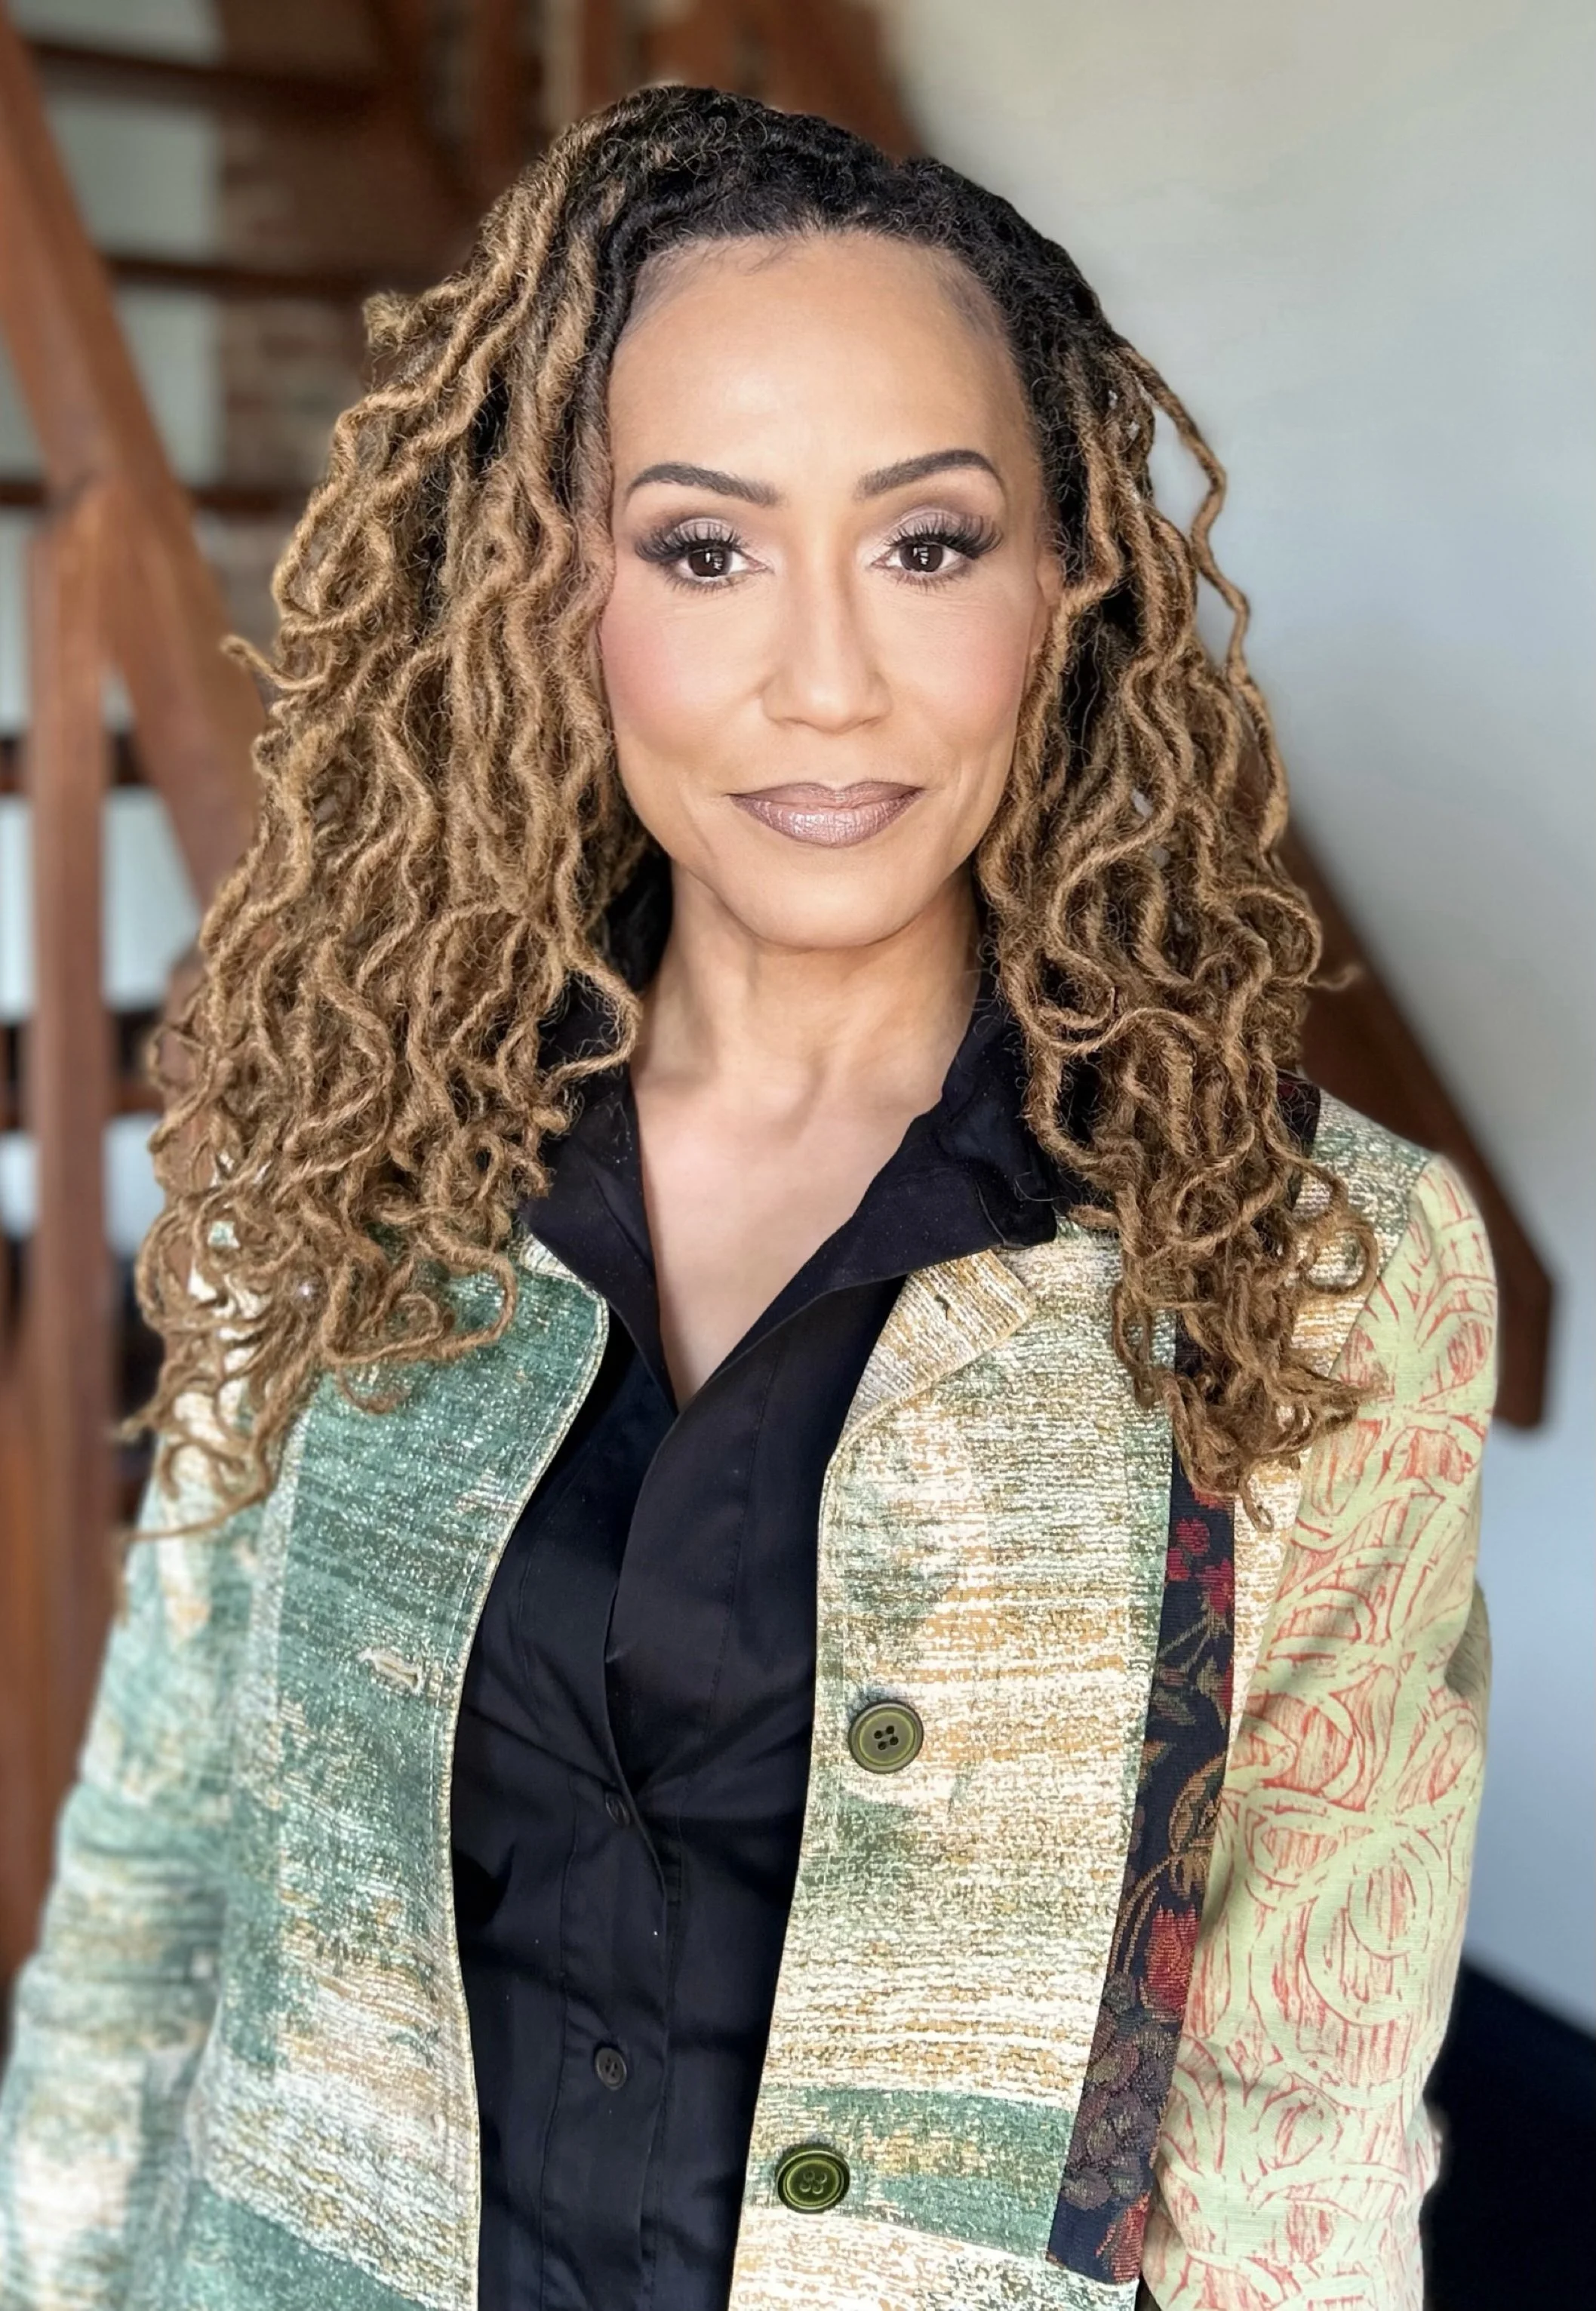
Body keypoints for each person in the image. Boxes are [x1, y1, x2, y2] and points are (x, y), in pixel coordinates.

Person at [0, 83, 1496, 2311]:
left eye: (926, 543)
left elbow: (1299, 2112)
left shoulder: (1318, 1269)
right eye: (704, 548)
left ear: (1064, 581)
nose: (823, 677)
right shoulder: (337, 1146)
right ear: (558, 588)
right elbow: (155, 1872)